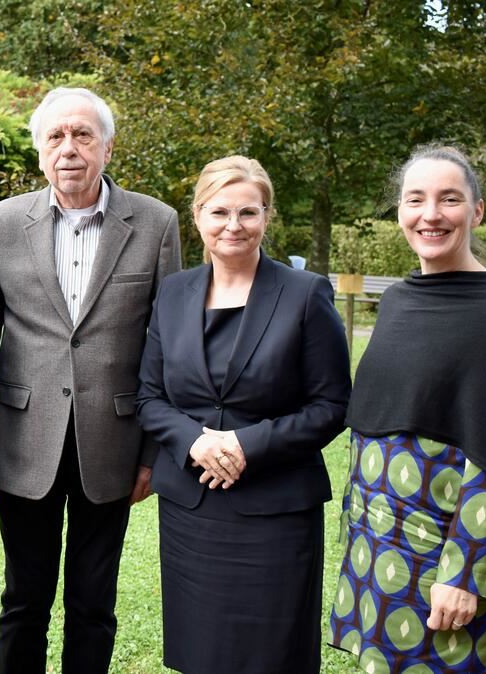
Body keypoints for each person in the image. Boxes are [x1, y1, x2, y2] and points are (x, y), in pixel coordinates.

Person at [0, 87, 182, 673]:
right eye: (56, 137)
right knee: (23, 599)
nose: (69, 148)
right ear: (40, 152)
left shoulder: (155, 223)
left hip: (113, 443)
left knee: (94, 603)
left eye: (83, 135)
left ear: (108, 147)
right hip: (24, 441)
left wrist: (151, 451)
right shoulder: (3, 221)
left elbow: (163, 346)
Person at [329, 145, 486, 673]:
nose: (430, 215)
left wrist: (464, 573)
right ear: (400, 210)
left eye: (449, 199)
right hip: (373, 543)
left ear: (474, 211)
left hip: (438, 556)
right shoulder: (401, 300)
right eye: (415, 200)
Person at [136, 155, 351, 673]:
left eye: (248, 212)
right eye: (219, 212)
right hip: (192, 511)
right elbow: (148, 396)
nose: (233, 225)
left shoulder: (305, 293)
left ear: (267, 217)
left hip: (274, 509)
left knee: (271, 655)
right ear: (197, 217)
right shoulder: (173, 292)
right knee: (201, 652)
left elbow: (332, 405)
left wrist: (244, 445)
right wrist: (196, 441)